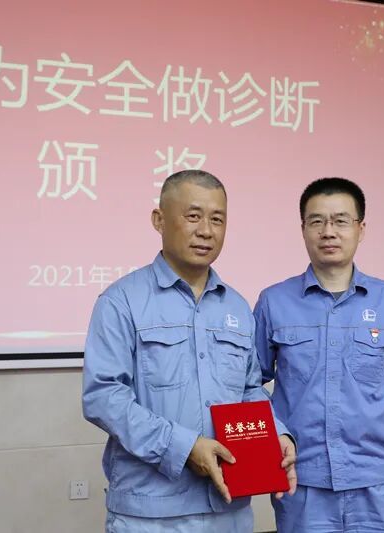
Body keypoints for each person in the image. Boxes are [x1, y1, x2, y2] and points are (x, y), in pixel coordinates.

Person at [82, 169, 297, 533]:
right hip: (150, 514)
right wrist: (183, 447)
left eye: (217, 219)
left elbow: (248, 389)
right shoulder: (121, 301)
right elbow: (103, 398)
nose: (206, 231)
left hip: (229, 508)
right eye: (193, 216)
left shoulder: (236, 306)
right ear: (159, 220)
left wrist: (276, 434)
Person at [254, 177, 384, 533]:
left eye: (340, 220)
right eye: (316, 221)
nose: (328, 232)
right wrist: (276, 434)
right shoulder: (273, 301)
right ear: (303, 229)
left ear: (360, 229)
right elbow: (247, 384)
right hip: (302, 483)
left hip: (376, 482)